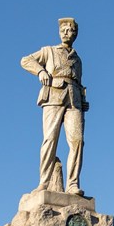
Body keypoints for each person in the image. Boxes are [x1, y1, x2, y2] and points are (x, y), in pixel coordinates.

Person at [20, 18, 88, 194]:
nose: (66, 33)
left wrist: (82, 98)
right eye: (63, 30)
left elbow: (78, 82)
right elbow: (26, 60)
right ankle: (45, 182)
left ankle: (73, 184)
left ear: (75, 34)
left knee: (77, 141)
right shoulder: (49, 51)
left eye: (70, 30)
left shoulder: (78, 59)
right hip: (53, 96)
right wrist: (41, 71)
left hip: (75, 102)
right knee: (50, 139)